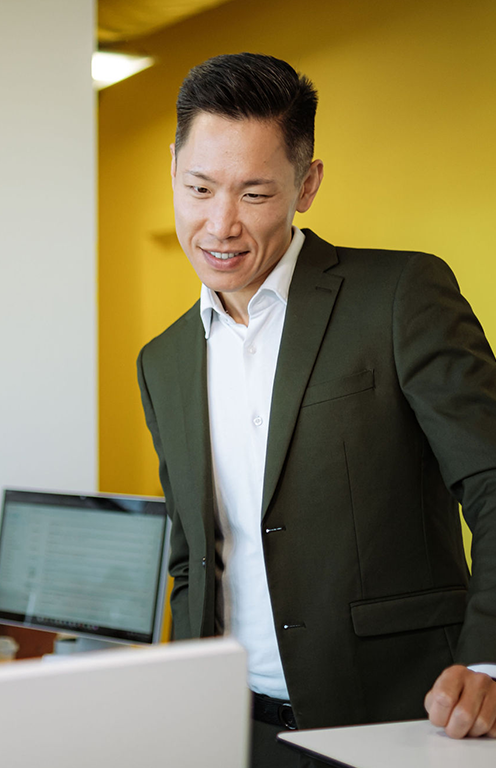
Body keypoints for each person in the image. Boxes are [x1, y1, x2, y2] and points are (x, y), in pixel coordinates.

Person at [135, 53, 496, 765]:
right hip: (232, 730)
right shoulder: (162, 361)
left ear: (307, 185)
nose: (220, 225)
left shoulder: (399, 296)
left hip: (403, 722)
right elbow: (191, 560)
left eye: (254, 194)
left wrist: (489, 659)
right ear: (173, 168)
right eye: (199, 188)